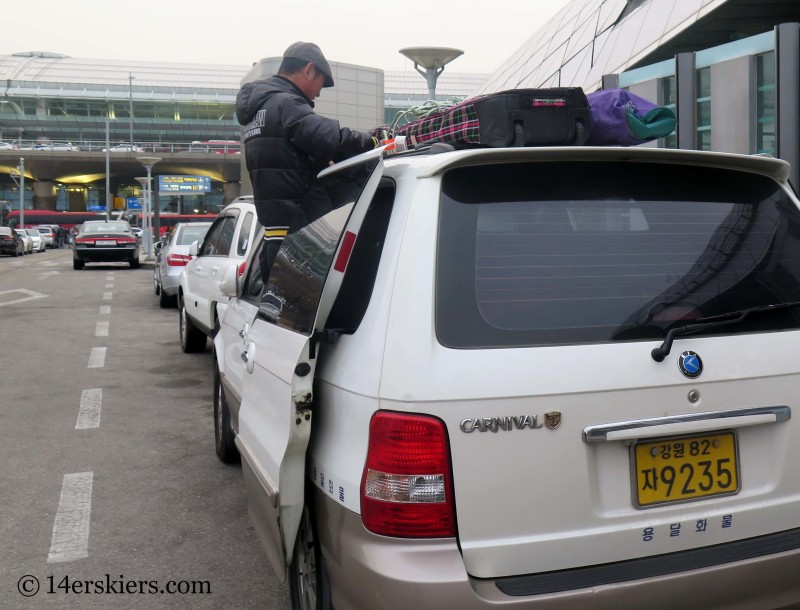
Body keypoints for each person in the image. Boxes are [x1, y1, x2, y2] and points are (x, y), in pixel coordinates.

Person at [235, 41, 378, 282]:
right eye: (321, 82)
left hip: (274, 240)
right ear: (309, 70)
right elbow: (331, 139)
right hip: (300, 243)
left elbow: (291, 154)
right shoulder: (285, 104)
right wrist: (374, 141)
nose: (319, 92)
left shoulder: (258, 110)